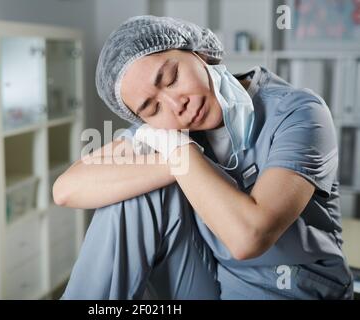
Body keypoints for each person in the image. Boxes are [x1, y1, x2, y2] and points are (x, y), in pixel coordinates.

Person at [53, 15, 353, 299]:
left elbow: (249, 238)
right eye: (152, 108)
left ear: (198, 52)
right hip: (218, 283)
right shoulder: (164, 130)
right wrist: (172, 161)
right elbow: (66, 189)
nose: (175, 105)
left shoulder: (298, 111)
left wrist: (181, 153)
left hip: (296, 287)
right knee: (132, 191)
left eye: (171, 78)